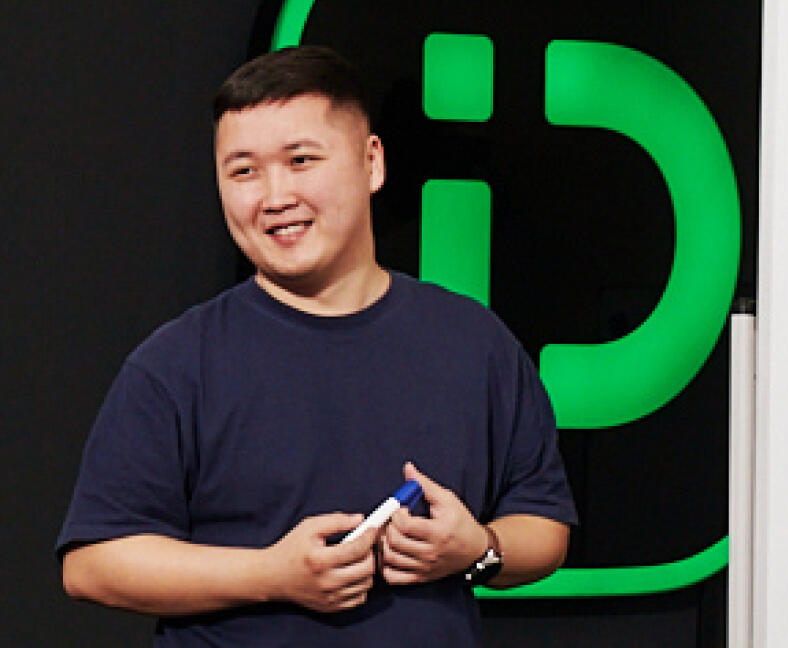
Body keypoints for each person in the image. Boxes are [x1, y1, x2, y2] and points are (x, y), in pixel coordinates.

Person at [57, 46, 577, 647]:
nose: (274, 196)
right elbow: (92, 564)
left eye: (300, 160)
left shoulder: (474, 342)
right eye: (243, 171)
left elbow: (544, 523)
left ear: (371, 162)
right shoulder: (176, 364)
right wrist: (271, 575)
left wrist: (476, 550)